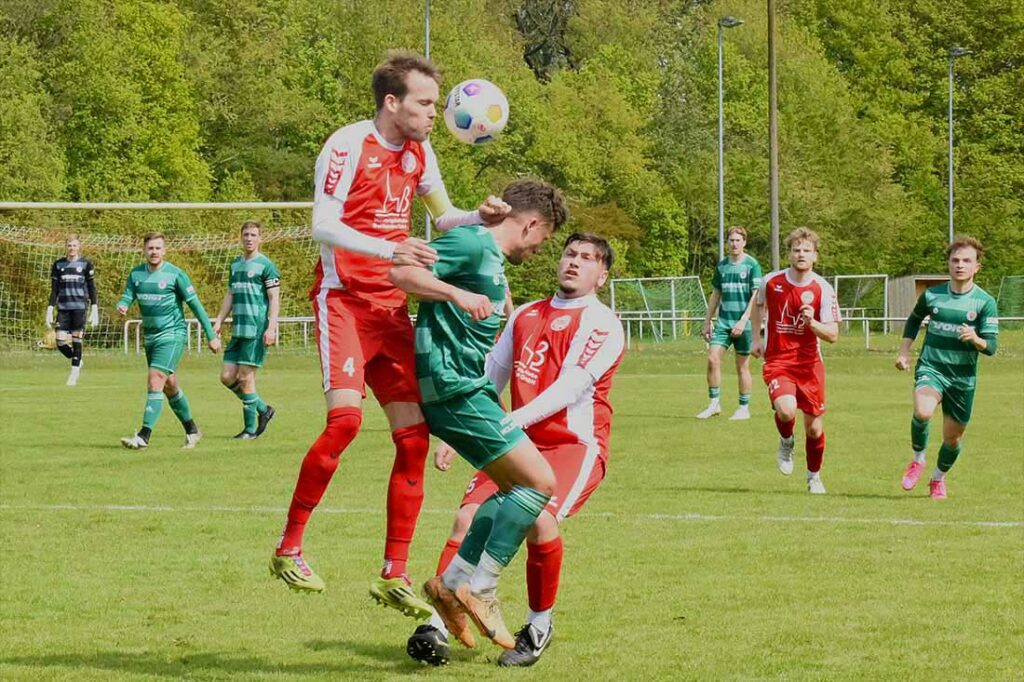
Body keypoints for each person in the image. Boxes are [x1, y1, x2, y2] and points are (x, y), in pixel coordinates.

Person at [269, 50, 511, 620]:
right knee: (346, 421)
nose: (435, 113)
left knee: (414, 439)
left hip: (390, 309)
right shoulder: (347, 145)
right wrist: (389, 248)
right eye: (425, 103)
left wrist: (481, 216)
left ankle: (393, 574)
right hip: (344, 304)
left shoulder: (420, 153)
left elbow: (444, 217)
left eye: (436, 104)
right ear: (392, 102)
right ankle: (289, 548)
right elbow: (322, 224)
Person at [406, 233, 624, 667]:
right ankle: (438, 620)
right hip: (516, 438)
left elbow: (571, 387)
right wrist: (457, 434)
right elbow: (492, 374)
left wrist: (508, 422)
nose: (574, 263)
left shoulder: (604, 323)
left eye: (587, 259)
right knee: (466, 515)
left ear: (602, 275)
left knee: (538, 520)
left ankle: (538, 625)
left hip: (571, 444)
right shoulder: (525, 314)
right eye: (570, 254)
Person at [390, 179, 568, 650]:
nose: (538, 251)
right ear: (530, 223)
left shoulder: (489, 260)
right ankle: (480, 586)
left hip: (469, 390)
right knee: (540, 483)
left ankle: (450, 584)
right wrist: (454, 294)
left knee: (515, 491)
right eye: (543, 239)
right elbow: (402, 272)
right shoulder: (471, 242)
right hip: (452, 389)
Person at [895, 237, 998, 500]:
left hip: (962, 378)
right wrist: (904, 352)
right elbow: (914, 320)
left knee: (952, 439)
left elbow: (991, 346)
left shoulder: (984, 302)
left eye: (966, 261)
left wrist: (975, 339)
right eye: (955, 260)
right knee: (923, 411)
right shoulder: (932, 295)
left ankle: (938, 479)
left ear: (977, 267)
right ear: (948, 264)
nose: (960, 265)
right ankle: (918, 459)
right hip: (933, 367)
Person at [751, 228, 839, 494]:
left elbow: (833, 334)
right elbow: (758, 305)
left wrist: (812, 322)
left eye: (806, 250)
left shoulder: (822, 288)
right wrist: (756, 337)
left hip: (810, 364)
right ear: (789, 254)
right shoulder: (771, 281)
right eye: (796, 250)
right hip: (778, 360)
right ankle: (786, 441)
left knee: (814, 429)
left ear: (815, 256)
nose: (801, 254)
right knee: (786, 410)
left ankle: (814, 477)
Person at [116, 233, 221, 449]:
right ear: (144, 251)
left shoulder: (175, 275)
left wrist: (211, 335)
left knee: (156, 377)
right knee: (169, 385)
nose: (154, 252)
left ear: (164, 251)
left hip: (172, 335)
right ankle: (192, 430)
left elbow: (196, 306)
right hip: (151, 337)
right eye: (150, 248)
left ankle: (143, 436)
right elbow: (128, 294)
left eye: (157, 248)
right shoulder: (136, 274)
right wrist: (123, 304)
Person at [213, 221, 281, 440]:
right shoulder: (235, 265)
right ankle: (262, 408)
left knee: (245, 378)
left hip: (255, 329)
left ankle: (250, 430)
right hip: (238, 330)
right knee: (226, 377)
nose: (249, 238)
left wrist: (271, 327)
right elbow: (230, 295)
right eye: (246, 234)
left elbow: (274, 298)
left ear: (260, 238)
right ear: (240, 237)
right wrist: (219, 321)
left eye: (253, 235)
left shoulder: (266, 265)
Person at [697, 226, 763, 420]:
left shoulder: (752, 265)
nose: (734, 243)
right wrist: (707, 321)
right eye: (731, 240)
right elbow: (716, 293)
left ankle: (743, 407)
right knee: (712, 359)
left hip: (746, 325)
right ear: (727, 243)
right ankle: (714, 404)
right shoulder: (722, 266)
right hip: (724, 323)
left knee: (742, 366)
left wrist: (744, 320)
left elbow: (756, 294)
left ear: (744, 242)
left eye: (737, 240)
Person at [46, 234, 99, 386]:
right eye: (69, 245)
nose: (72, 248)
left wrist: (94, 307)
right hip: (63, 308)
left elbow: (91, 287)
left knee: (77, 340)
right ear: (66, 247)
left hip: (79, 308)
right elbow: (54, 289)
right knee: (60, 342)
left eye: (74, 245)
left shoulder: (85, 264)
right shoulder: (58, 265)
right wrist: (50, 307)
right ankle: (77, 359)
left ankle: (74, 373)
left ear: (79, 247)